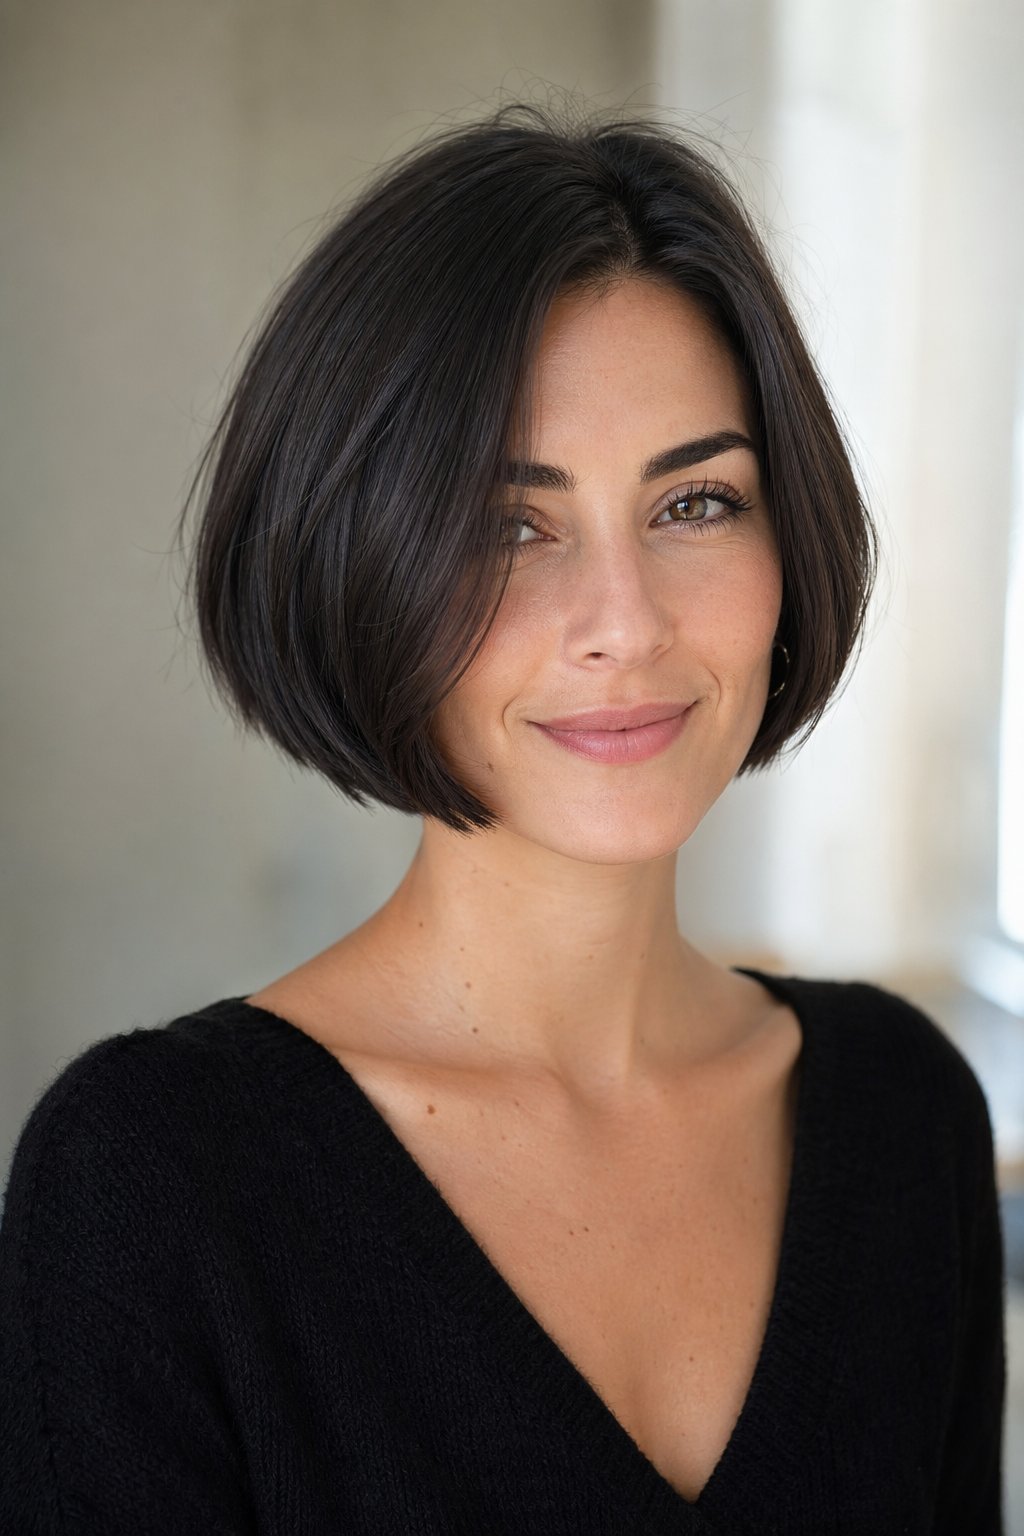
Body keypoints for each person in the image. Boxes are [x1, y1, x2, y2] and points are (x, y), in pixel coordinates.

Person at [0, 101, 1007, 1533]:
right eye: (508, 526)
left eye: (697, 503)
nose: (625, 623)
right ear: (356, 560)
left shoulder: (906, 1116)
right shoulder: (151, 1184)